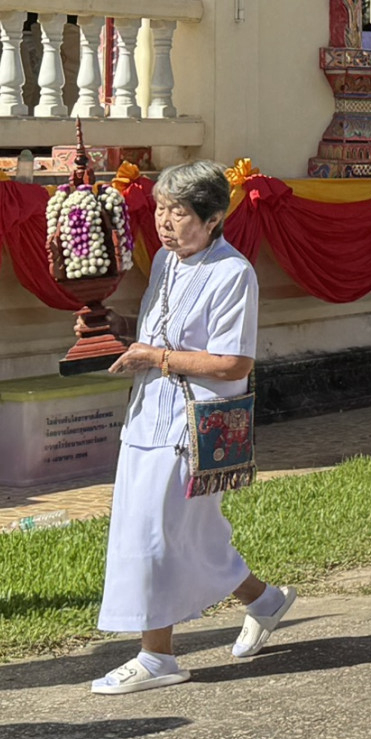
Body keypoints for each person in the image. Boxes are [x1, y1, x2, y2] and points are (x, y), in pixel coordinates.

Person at [91, 162, 292, 696]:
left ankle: (157, 656)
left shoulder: (233, 273)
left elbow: (233, 364)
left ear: (213, 218)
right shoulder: (162, 260)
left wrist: (156, 355)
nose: (164, 222)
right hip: (147, 415)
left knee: (155, 534)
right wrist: (118, 332)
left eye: (179, 212)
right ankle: (265, 600)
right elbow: (161, 331)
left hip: (193, 425)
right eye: (160, 209)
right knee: (191, 535)